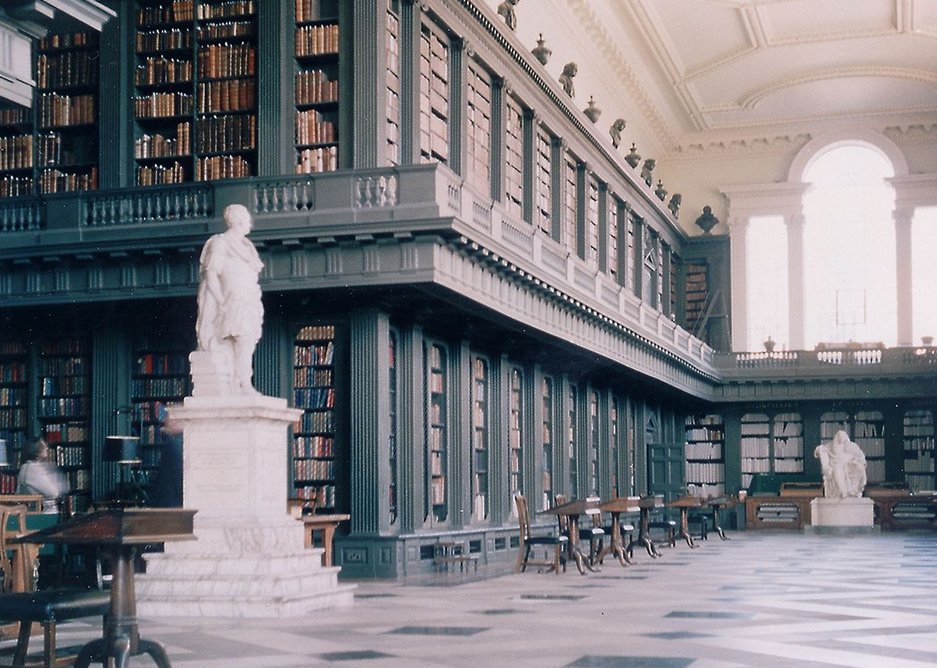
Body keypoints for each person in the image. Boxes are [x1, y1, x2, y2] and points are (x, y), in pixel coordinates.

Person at [195, 203, 264, 395]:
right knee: (242, 340)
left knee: (246, 342)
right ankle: (243, 383)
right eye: (248, 218)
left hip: (249, 299)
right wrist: (220, 301)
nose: (250, 222)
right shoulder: (221, 243)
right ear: (239, 220)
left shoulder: (247, 247)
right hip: (233, 300)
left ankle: (238, 382)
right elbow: (211, 274)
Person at [16, 436, 69, 514]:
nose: (46, 447)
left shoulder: (26, 466)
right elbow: (53, 492)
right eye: (43, 445)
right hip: (46, 513)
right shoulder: (33, 469)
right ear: (36, 450)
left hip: (34, 511)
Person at [147, 404, 183, 508]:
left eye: (169, 417)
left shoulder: (173, 445)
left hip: (169, 503)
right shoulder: (180, 443)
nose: (165, 420)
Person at [814, 430, 867, 499]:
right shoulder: (830, 446)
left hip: (851, 465)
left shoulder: (852, 446)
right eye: (840, 437)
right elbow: (817, 452)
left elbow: (861, 458)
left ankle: (854, 491)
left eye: (843, 438)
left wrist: (855, 460)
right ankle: (844, 492)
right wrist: (820, 449)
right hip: (836, 465)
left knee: (859, 468)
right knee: (837, 471)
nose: (841, 440)